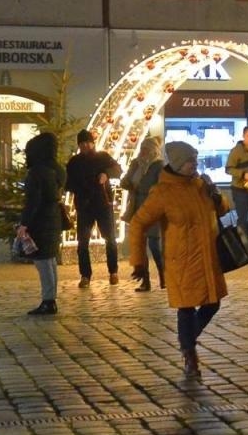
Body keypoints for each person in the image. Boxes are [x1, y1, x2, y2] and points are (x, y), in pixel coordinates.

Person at [129, 141, 228, 380]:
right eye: (189, 161)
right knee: (186, 307)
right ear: (177, 164)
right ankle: (189, 354)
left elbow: (223, 210)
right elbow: (138, 223)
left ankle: (187, 341)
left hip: (207, 257)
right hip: (181, 259)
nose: (194, 164)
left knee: (213, 303)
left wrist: (216, 195)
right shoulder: (163, 192)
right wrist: (138, 261)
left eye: (195, 159)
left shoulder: (201, 184)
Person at [65, 129, 122, 287]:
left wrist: (106, 174)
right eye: (81, 143)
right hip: (84, 205)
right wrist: (79, 187)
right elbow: (68, 183)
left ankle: (113, 271)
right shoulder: (74, 162)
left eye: (87, 142)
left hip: (103, 204)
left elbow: (118, 169)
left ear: (92, 143)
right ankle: (85, 275)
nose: (84, 146)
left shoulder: (103, 157)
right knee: (82, 242)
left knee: (110, 239)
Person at [18, 131, 65, 315]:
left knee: (43, 261)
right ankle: (50, 297)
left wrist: (25, 223)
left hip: (40, 221)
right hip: (53, 218)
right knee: (50, 259)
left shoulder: (37, 172)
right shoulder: (57, 170)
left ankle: (48, 300)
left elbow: (33, 201)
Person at [121, 136, 166, 291]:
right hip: (137, 207)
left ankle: (164, 276)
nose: (143, 152)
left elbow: (162, 187)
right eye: (142, 149)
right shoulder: (136, 164)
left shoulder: (159, 166)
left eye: (146, 149)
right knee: (140, 247)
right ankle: (145, 281)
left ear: (153, 151)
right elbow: (125, 180)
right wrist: (128, 182)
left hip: (153, 208)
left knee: (154, 245)